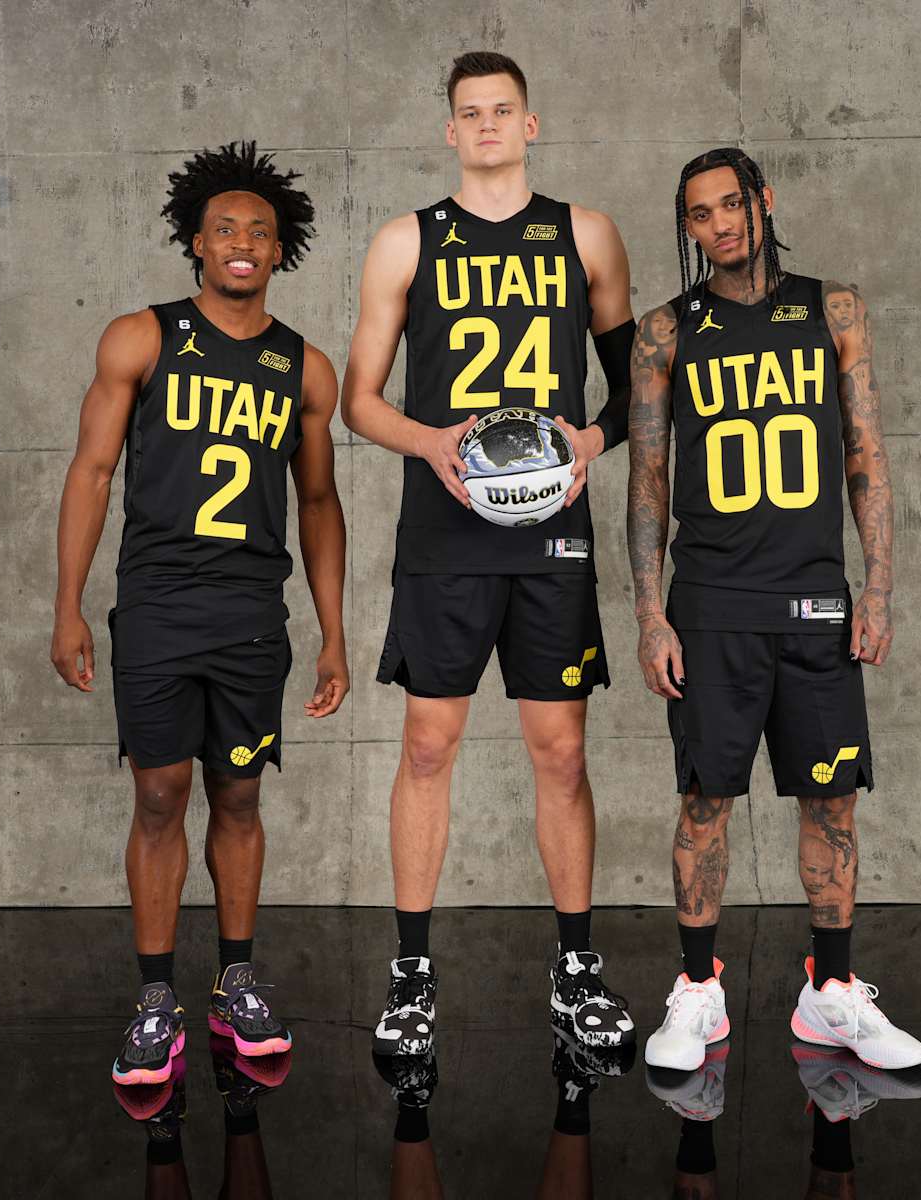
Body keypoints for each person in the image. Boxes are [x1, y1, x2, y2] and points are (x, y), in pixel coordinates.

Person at [341, 51, 639, 1055]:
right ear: (450, 130)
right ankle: (412, 976)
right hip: (445, 531)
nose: (486, 126)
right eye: (469, 113)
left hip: (551, 532)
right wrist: (431, 443)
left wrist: (590, 442)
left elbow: (635, 388)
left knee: (562, 752)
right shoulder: (406, 241)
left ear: (530, 124)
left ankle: (576, 970)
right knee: (428, 746)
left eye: (502, 110)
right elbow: (359, 401)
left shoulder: (585, 234)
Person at [51, 142, 348, 1087]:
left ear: (281, 249)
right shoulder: (142, 338)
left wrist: (334, 633)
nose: (242, 243)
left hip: (252, 615)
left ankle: (236, 983)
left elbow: (317, 503)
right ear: (196, 241)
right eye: (225, 229)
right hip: (156, 608)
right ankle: (154, 998)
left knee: (241, 795)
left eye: (260, 231)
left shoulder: (304, 367)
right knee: (158, 795)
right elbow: (93, 472)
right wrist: (68, 606)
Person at [627, 147, 921, 1072]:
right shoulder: (665, 331)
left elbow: (866, 454)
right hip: (712, 607)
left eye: (732, 204)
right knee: (705, 801)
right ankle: (697, 992)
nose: (719, 225)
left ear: (763, 202)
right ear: (687, 227)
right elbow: (648, 481)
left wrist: (879, 587)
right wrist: (649, 613)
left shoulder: (834, 309)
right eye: (700, 213)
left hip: (815, 603)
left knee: (832, 801)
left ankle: (831, 993)